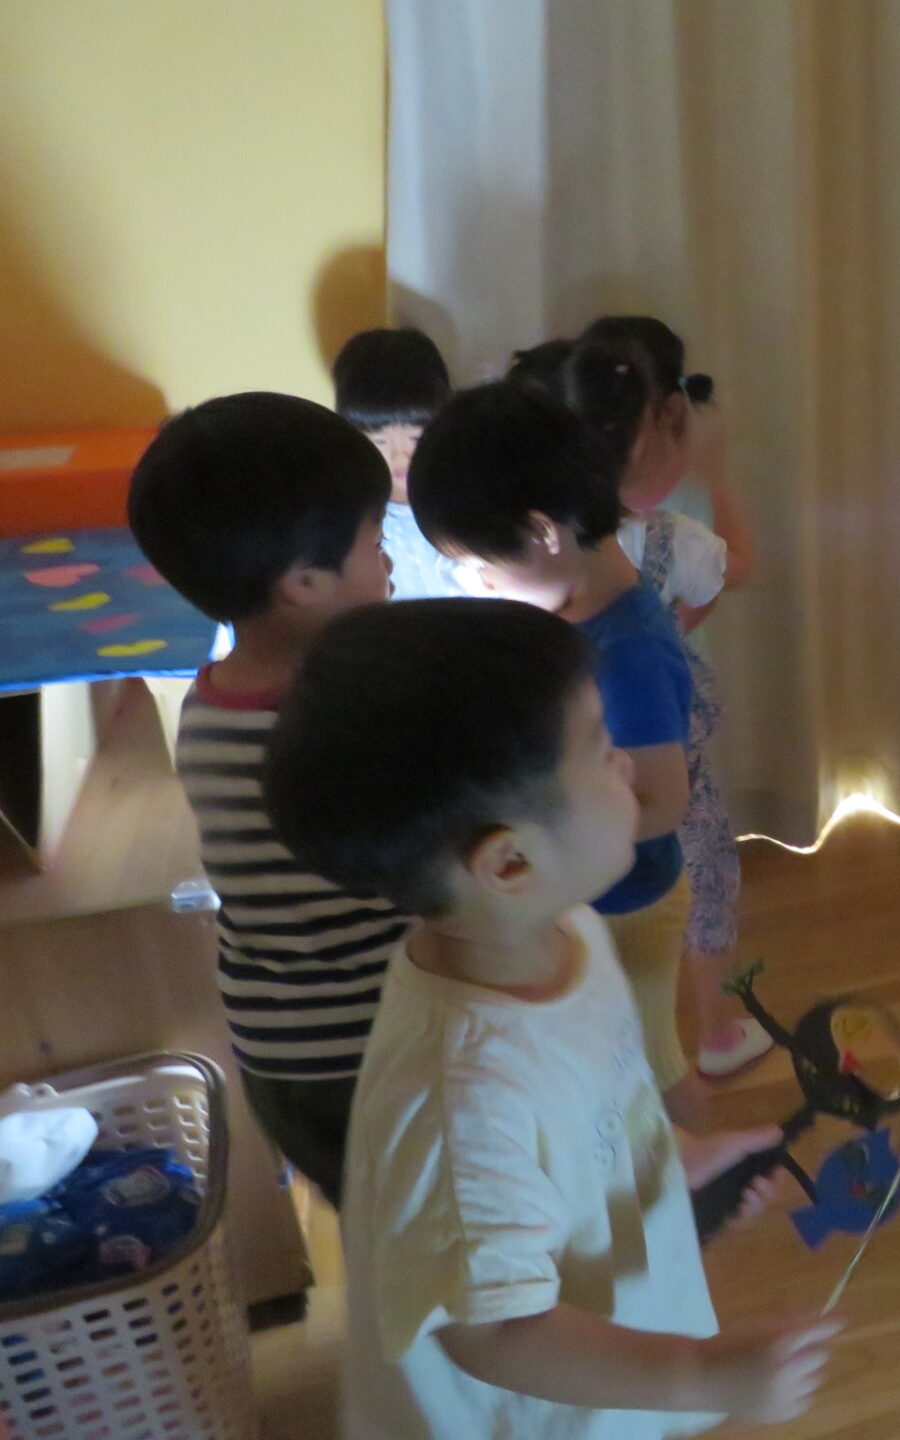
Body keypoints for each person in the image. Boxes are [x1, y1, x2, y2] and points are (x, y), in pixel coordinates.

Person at [261, 599, 838, 1438]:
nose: (628, 766)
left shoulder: (558, 928)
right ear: (510, 862)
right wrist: (700, 1373)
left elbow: (584, 1106)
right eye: (602, 749)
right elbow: (496, 1332)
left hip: (609, 1331)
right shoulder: (463, 1101)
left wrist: (670, 1160)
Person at [126, 392, 399, 1207]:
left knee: (389, 1233)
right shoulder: (348, 718)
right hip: (378, 1052)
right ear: (304, 583)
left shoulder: (208, 706)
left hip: (281, 1060)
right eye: (376, 544)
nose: (389, 563)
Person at [407, 382, 705, 1119]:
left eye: (481, 565)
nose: (476, 583)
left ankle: (703, 1169)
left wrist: (546, 846)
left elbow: (664, 801)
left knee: (651, 1064)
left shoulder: (627, 650)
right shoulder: (568, 608)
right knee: (597, 1060)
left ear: (543, 533)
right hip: (584, 890)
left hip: (631, 903)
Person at [564, 318, 769, 1082]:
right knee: (704, 873)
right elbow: (738, 569)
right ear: (668, 424)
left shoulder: (544, 539)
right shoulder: (671, 539)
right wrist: (721, 476)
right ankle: (717, 1031)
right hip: (665, 749)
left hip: (577, 759)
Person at [331, 326, 464, 600]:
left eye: (415, 437)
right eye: (379, 441)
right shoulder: (356, 514)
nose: (399, 456)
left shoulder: (462, 496)